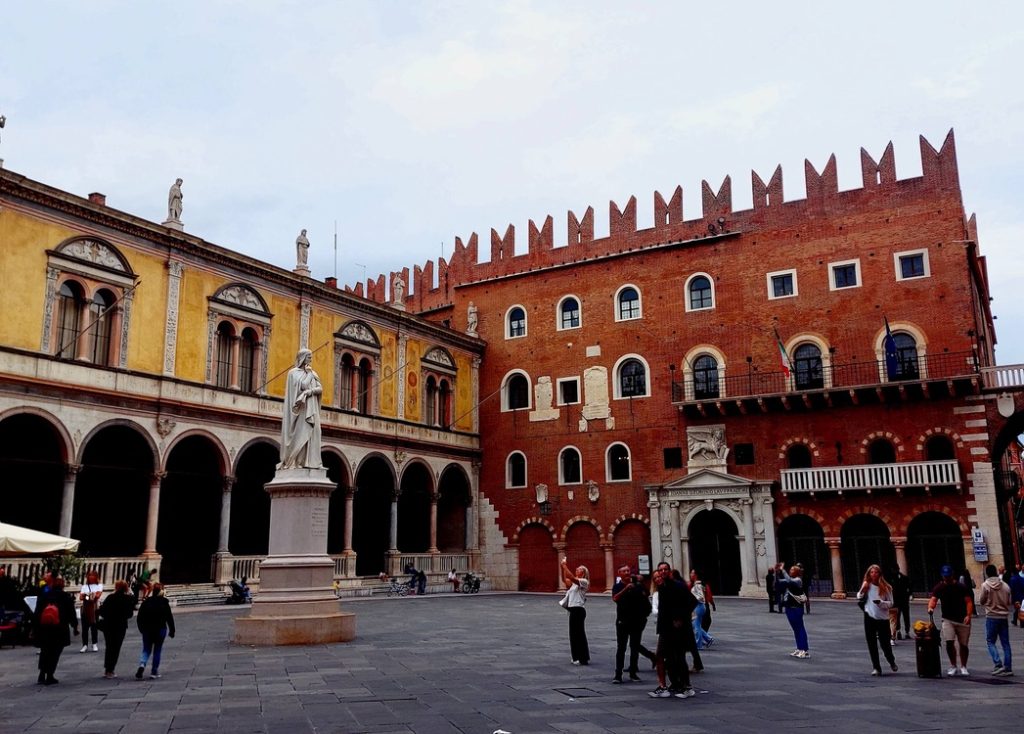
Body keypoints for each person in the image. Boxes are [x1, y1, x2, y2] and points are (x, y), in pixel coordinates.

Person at [647, 562, 695, 699]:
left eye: (665, 569)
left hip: (677, 629)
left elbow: (692, 602)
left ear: (669, 571)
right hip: (665, 628)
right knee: (661, 656)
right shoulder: (662, 588)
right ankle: (664, 687)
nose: (662, 572)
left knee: (679, 656)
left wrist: (680, 619)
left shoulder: (678, 586)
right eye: (660, 570)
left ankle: (687, 687)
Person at [279, 348, 323, 470]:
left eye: (311, 357)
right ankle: (297, 462)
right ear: (303, 358)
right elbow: (303, 385)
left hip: (311, 408)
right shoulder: (293, 373)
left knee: (314, 432)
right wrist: (308, 375)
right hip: (302, 411)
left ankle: (309, 462)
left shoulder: (313, 373)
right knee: (301, 434)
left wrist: (310, 392)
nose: (311, 359)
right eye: (309, 357)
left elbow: (320, 388)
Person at [610, 566, 656, 683]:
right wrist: (626, 589)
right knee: (621, 648)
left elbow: (646, 594)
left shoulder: (637, 585)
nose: (627, 573)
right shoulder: (617, 586)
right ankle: (618, 674)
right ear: (619, 573)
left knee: (635, 647)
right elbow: (615, 598)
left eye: (628, 571)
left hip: (637, 621)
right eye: (624, 571)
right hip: (622, 621)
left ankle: (633, 673)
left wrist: (639, 582)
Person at [928, 564, 973, 677]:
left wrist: (968, 615)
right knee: (949, 642)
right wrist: (930, 607)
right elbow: (933, 599)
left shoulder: (961, 587)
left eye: (948, 576)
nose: (946, 578)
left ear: (952, 575)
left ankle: (963, 666)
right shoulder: (939, 587)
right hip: (947, 619)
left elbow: (968, 601)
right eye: (945, 576)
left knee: (963, 645)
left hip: (962, 618)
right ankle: (953, 665)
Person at [32, 575, 78, 685]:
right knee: (55, 652)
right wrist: (75, 626)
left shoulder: (44, 595)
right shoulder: (66, 597)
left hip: (45, 627)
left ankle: (42, 673)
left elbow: (37, 612)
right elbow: (71, 613)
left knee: (45, 651)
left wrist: (34, 628)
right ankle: (50, 674)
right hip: (59, 628)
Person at [856, 564, 898, 676]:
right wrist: (863, 589)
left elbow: (891, 603)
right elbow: (859, 597)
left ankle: (891, 661)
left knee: (885, 644)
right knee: (871, 643)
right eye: (871, 572)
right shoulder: (867, 585)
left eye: (876, 572)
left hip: (882, 618)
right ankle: (876, 667)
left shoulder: (886, 587)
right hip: (869, 617)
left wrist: (881, 603)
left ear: (880, 574)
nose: (873, 574)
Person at [978, 564, 1013, 676]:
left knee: (990, 641)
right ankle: (1008, 667)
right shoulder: (1005, 586)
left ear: (987, 573)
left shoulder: (985, 585)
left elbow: (982, 600)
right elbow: (1009, 601)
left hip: (992, 616)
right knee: (1005, 643)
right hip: (1003, 617)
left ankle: (998, 664)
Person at [136, 583, 175, 679]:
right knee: (157, 650)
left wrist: (141, 628)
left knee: (146, 649)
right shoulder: (164, 602)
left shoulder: (147, 602)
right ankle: (154, 671)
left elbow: (139, 617)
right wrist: (172, 630)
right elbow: (169, 617)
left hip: (147, 629)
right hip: (160, 629)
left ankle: (142, 664)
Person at [97, 580, 135, 679]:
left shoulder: (110, 597)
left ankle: (107, 669)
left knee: (109, 646)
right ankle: (111, 669)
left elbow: (102, 611)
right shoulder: (127, 599)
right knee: (116, 648)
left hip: (108, 625)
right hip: (120, 626)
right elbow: (130, 614)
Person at [560, 557, 590, 666]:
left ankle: (583, 658)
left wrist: (564, 566)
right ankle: (576, 657)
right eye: (576, 569)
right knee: (573, 634)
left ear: (583, 572)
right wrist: (563, 567)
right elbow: (566, 580)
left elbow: (571, 577)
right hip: (573, 610)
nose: (577, 570)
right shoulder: (573, 584)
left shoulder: (584, 581)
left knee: (579, 634)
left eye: (579, 569)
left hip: (578, 610)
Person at [781, 565, 809, 658]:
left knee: (800, 628)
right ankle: (799, 648)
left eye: (793, 569)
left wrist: (782, 570)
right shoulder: (791, 581)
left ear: (797, 572)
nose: (790, 570)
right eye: (790, 569)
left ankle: (804, 650)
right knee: (795, 629)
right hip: (789, 607)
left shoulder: (798, 580)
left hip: (796, 607)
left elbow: (789, 581)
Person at [78, 570, 103, 653]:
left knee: (94, 627)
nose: (90, 577)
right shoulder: (84, 586)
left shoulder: (99, 585)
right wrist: (89, 596)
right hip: (85, 608)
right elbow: (81, 597)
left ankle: (94, 643)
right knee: (84, 628)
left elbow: (97, 596)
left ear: (96, 577)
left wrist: (87, 596)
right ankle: (84, 645)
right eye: (89, 575)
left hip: (94, 608)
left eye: (92, 575)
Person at [689, 569, 714, 649]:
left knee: (696, 625)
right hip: (699, 606)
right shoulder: (698, 585)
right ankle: (708, 639)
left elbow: (700, 597)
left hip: (698, 606)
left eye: (692, 573)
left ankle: (698, 644)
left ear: (695, 575)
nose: (690, 574)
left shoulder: (697, 585)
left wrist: (693, 599)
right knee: (696, 625)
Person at [890, 568, 912, 640]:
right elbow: (909, 587)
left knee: (899, 617)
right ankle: (905, 632)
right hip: (903, 600)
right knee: (904, 616)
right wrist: (909, 595)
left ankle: (900, 631)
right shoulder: (904, 578)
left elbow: (909, 587)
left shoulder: (892, 579)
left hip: (898, 600)